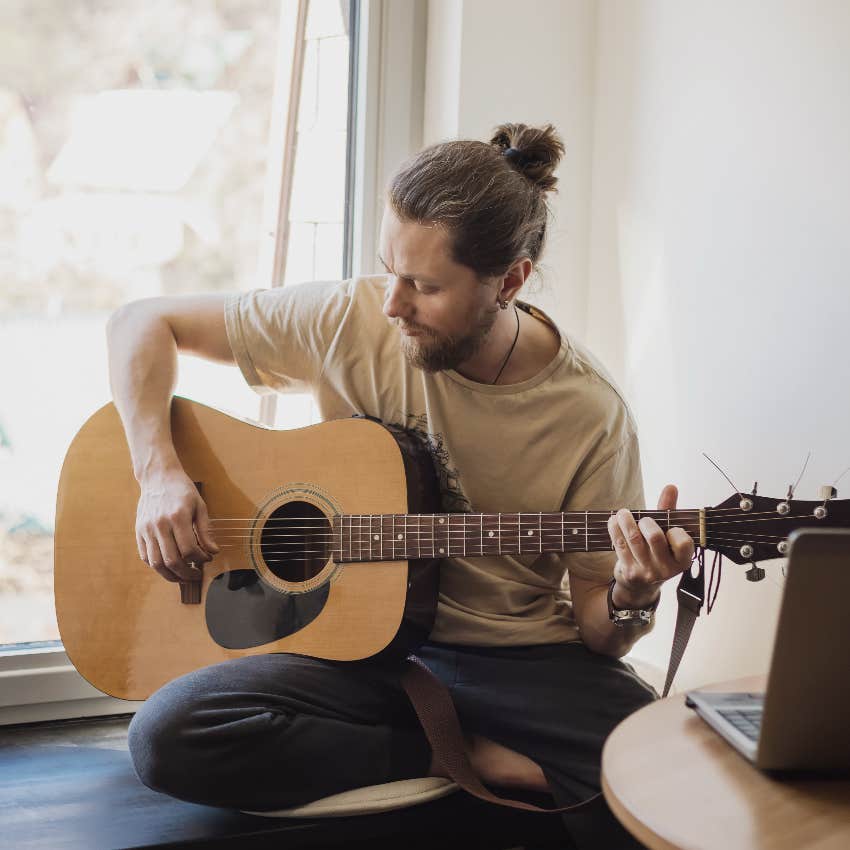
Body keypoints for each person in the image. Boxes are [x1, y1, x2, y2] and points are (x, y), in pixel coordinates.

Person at [108, 122, 695, 849]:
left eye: (423, 285)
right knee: (169, 734)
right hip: (352, 652)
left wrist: (636, 594)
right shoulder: (349, 318)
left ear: (507, 282)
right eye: (390, 270)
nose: (392, 304)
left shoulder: (590, 415)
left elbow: (601, 636)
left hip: (515, 661)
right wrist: (159, 473)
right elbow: (142, 323)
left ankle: (445, 746)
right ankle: (464, 757)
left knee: (667, 776)